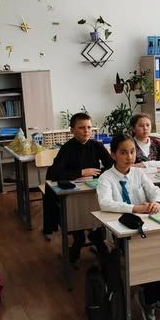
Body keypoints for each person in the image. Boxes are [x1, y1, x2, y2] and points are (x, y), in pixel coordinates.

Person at [97, 133, 160, 320]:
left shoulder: (139, 173)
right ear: (113, 154)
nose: (129, 157)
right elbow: (105, 203)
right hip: (121, 231)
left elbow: (156, 191)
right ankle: (146, 298)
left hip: (145, 226)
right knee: (145, 259)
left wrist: (157, 203)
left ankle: (151, 295)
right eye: (123, 152)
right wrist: (134, 208)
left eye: (132, 151)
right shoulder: (106, 178)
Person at [43, 112, 114, 262]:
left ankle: (96, 238)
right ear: (72, 130)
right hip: (73, 195)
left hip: (93, 191)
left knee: (98, 216)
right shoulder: (67, 148)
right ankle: (79, 238)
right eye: (81, 128)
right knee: (78, 220)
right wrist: (80, 173)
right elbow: (54, 173)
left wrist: (99, 175)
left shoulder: (97, 145)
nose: (86, 131)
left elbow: (111, 166)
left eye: (89, 127)